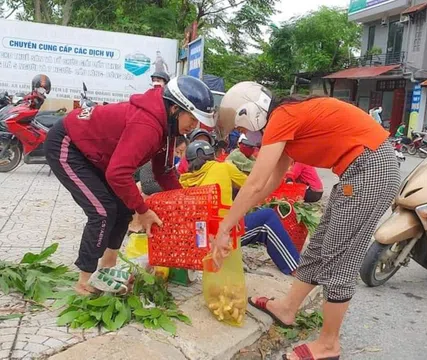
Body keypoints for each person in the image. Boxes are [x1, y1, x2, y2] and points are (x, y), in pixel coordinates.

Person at [214, 82, 401, 360]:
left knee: (340, 259)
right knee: (320, 245)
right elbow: (270, 182)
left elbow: (254, 183)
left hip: (369, 171)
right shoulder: (287, 119)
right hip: (357, 172)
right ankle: (288, 308)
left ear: (250, 113)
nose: (245, 135)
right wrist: (238, 215)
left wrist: (224, 227)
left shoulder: (282, 117)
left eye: (242, 128)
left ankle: (328, 345)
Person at [45, 75, 215, 295]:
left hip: (97, 154)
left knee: (124, 209)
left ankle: (108, 265)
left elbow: (163, 172)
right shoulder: (148, 124)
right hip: (68, 143)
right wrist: (143, 210)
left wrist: (188, 207)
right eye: (192, 117)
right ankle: (84, 280)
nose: (194, 125)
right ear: (174, 109)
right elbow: (118, 174)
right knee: (102, 210)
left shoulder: (168, 128)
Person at [180, 141, 299, 275]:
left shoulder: (184, 180)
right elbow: (251, 186)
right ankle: (295, 267)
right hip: (221, 238)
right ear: (212, 155)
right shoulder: (223, 167)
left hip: (198, 239)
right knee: (267, 217)